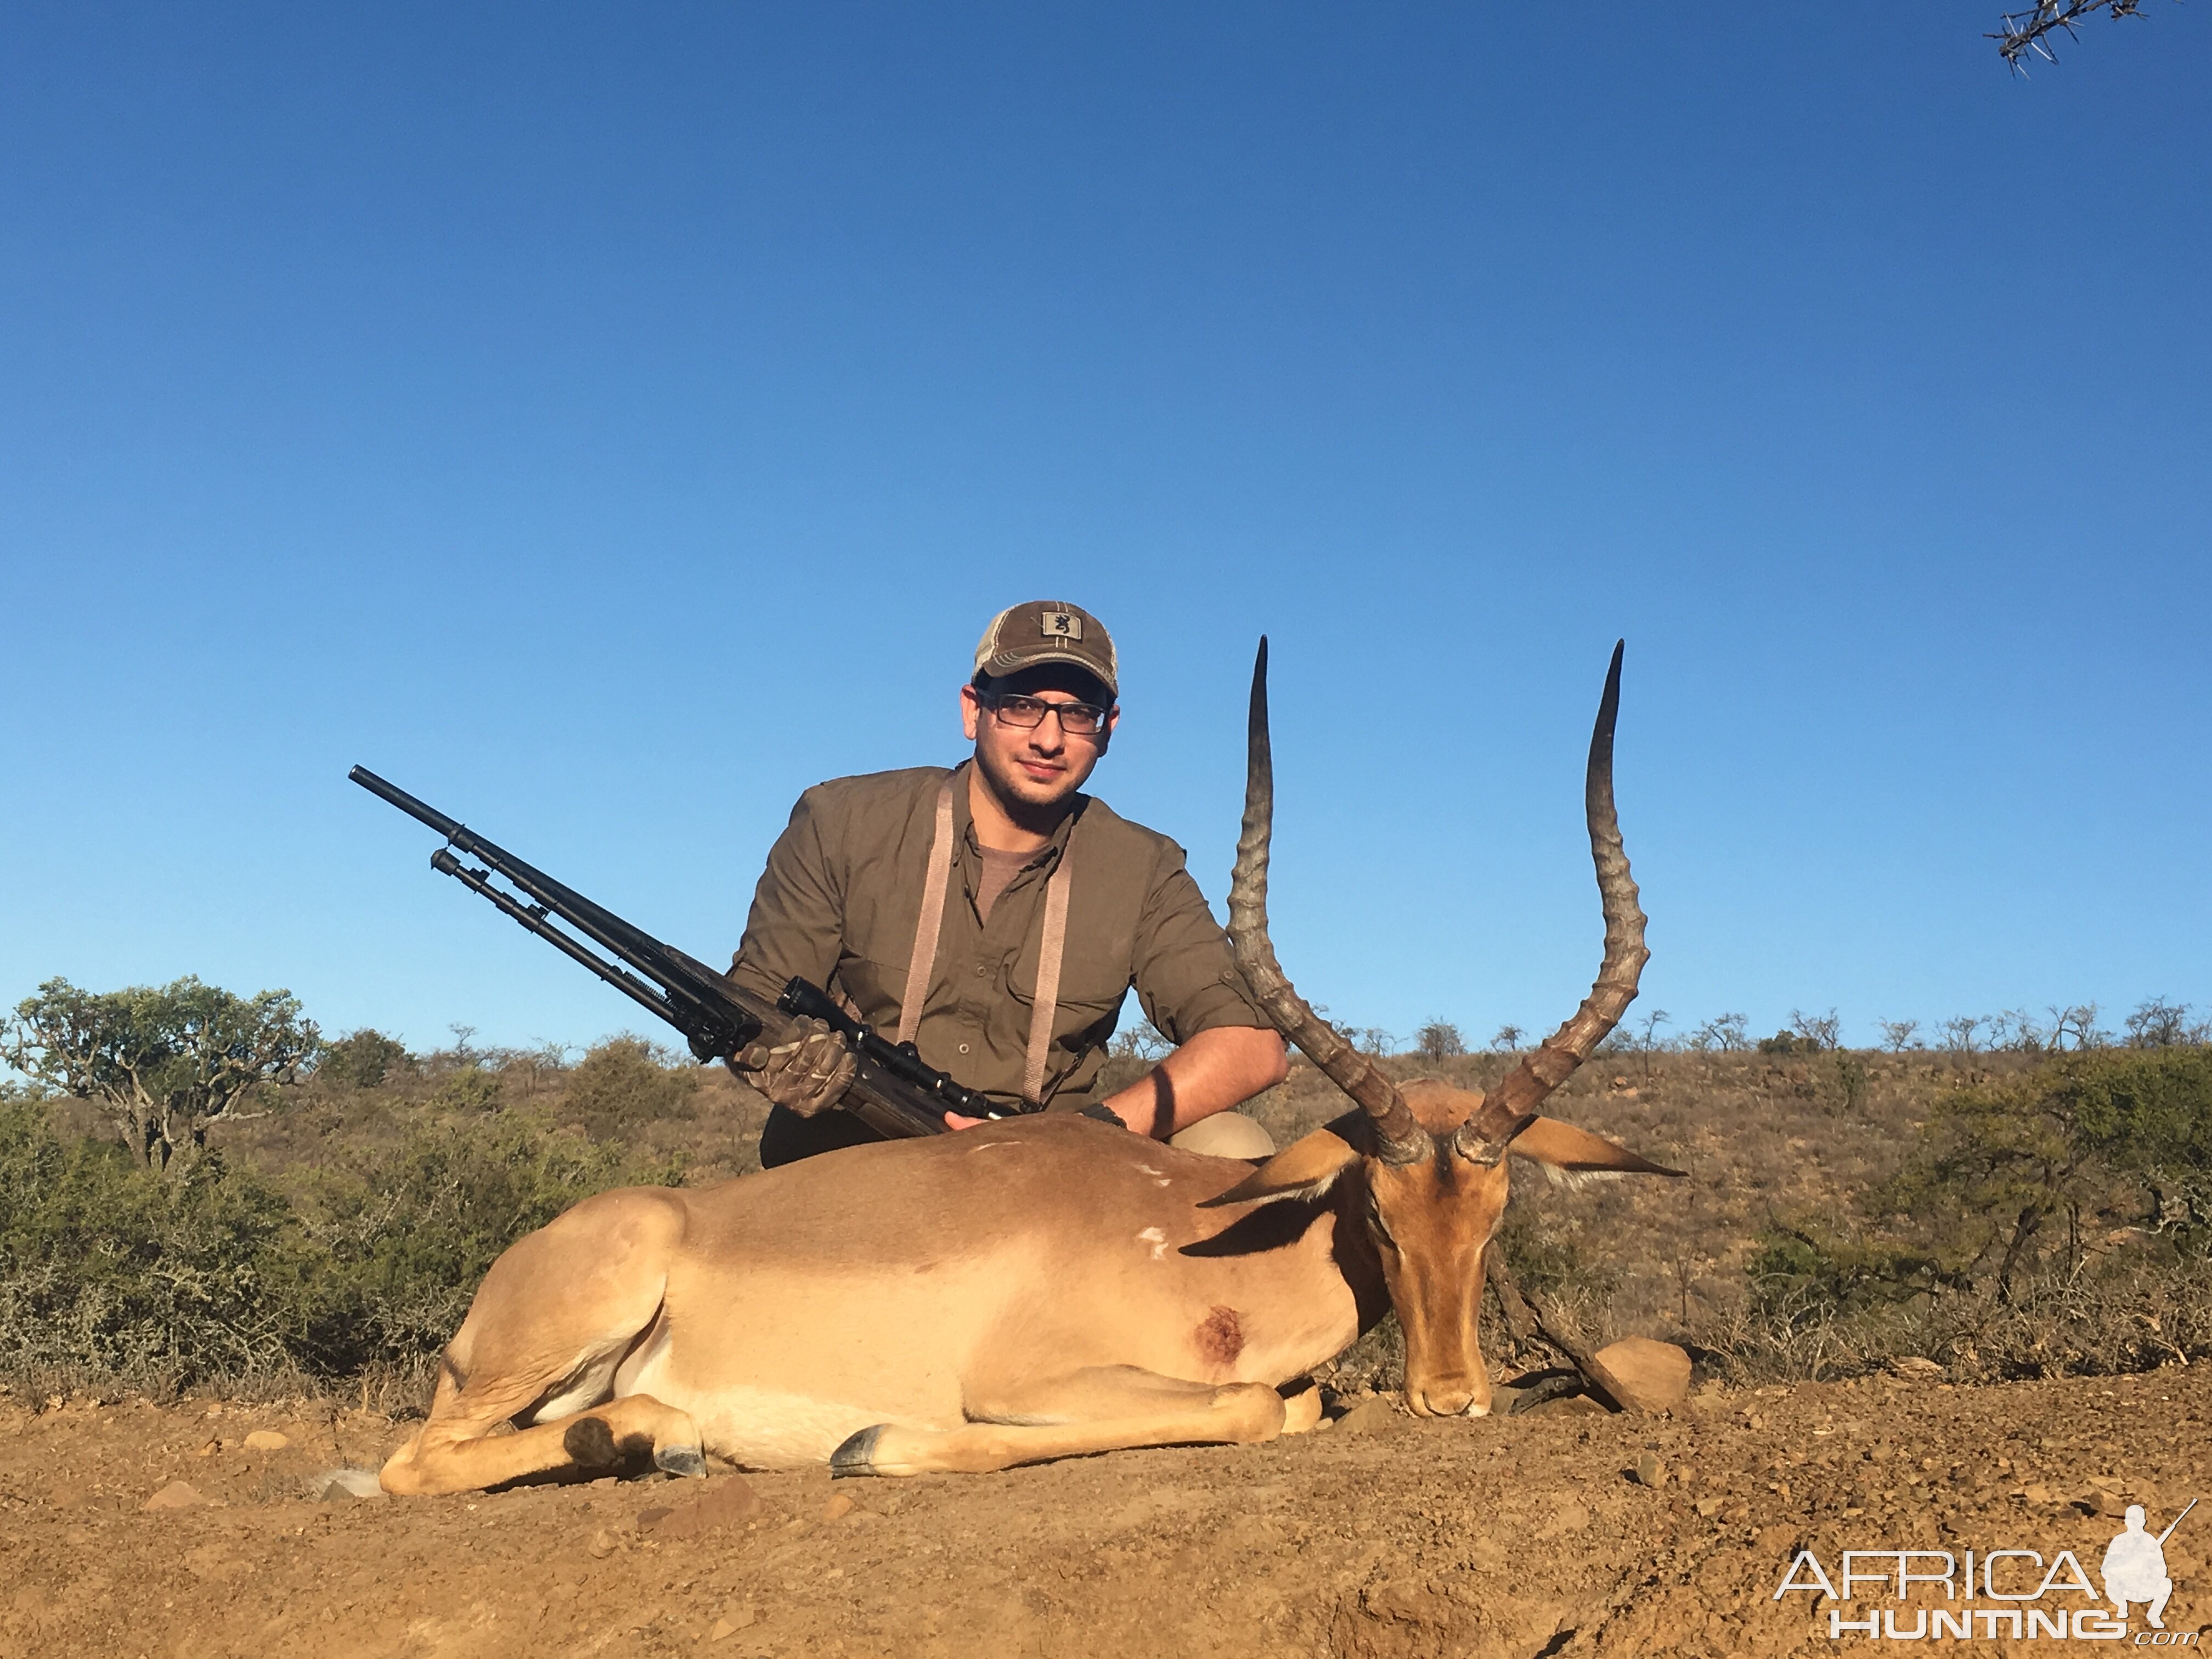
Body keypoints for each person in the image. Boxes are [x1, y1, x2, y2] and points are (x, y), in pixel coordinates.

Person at [727, 600, 1289, 1167]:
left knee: (1230, 1147)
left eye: (1077, 714)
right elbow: (751, 998)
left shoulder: (1144, 869)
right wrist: (782, 1056)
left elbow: (1253, 1045)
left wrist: (1083, 1134)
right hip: (858, 1138)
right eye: (1022, 706)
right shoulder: (843, 820)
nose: (1050, 739)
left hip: (1042, 1172)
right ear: (974, 711)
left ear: (1107, 729)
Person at [2101, 1505, 2174, 1629]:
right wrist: (2127, 1566)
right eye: (2131, 1520)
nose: (2134, 1523)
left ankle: (2154, 1615)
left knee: (2166, 1583)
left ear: (2143, 1522)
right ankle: (2122, 1606)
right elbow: (2106, 1569)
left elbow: (2162, 1570)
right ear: (2126, 1522)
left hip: (2144, 1587)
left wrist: (2148, 1567)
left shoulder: (2150, 1542)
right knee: (2111, 1581)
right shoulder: (2119, 1541)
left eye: (2138, 1520)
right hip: (2123, 1588)